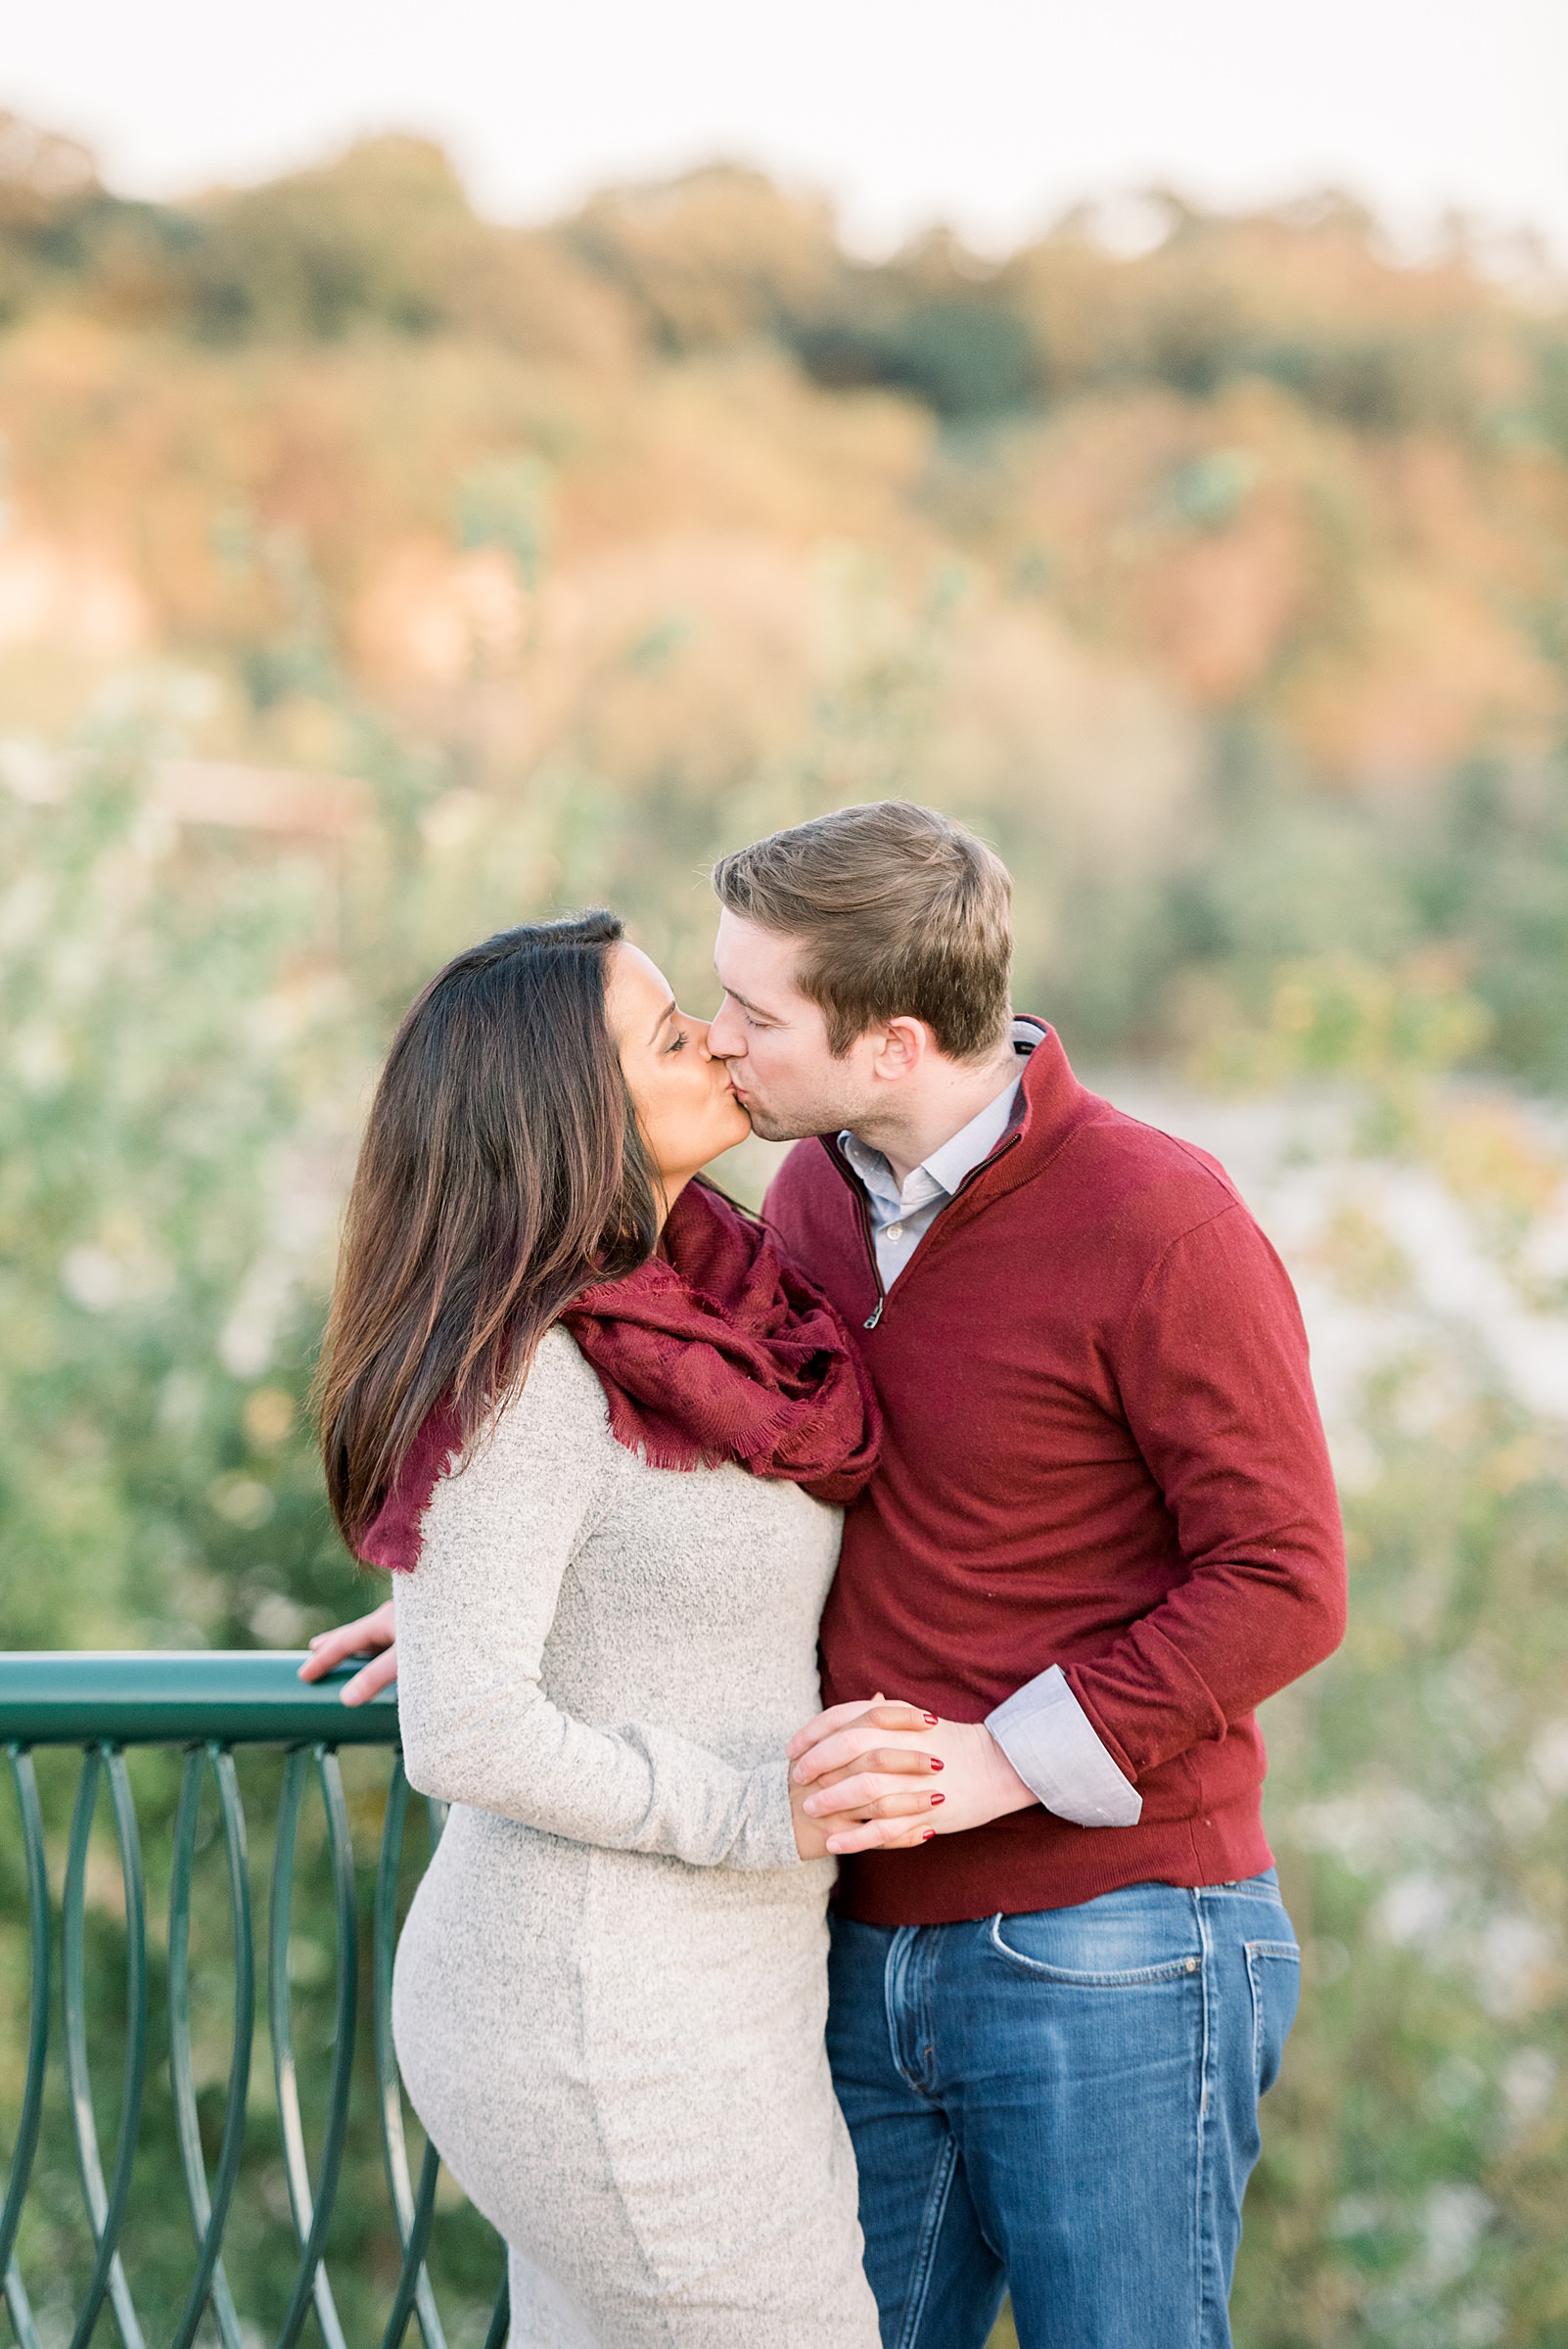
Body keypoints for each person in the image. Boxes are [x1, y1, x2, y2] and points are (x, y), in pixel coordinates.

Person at [306, 804, 1348, 2349]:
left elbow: (1284, 1576)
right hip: (839, 1945)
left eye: (750, 1013)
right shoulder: (801, 1208)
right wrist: (486, 1587)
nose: (720, 1046)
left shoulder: (1155, 1219)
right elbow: (714, 1482)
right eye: (702, 1007)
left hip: (1110, 1941)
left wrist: (1010, 1757)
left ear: (892, 1043)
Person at [312, 907, 929, 2349]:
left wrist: (464, 1608)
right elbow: (462, 1732)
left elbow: (601, 1576)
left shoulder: (709, 1313)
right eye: (669, 1036)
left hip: (721, 1999)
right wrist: (748, 1806)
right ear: (571, 1113)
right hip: (601, 2019)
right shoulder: (532, 1364)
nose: (717, 1038)